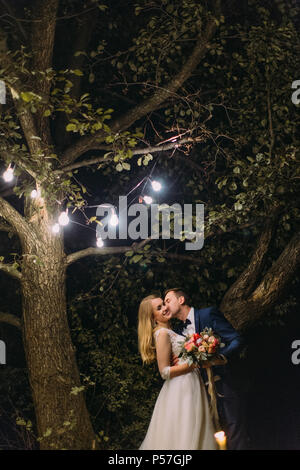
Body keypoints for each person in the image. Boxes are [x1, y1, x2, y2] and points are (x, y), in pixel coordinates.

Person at [164, 288, 249, 450]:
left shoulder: (208, 314)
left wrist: (219, 358)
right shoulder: (177, 333)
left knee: (235, 428)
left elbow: (236, 340)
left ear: (181, 300)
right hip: (198, 390)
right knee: (210, 434)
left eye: (168, 301)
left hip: (224, 383)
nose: (166, 306)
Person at [138, 294, 217, 450]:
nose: (165, 308)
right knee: (186, 431)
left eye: (164, 304)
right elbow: (164, 372)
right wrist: (192, 364)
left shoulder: (170, 330)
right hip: (181, 387)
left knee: (197, 429)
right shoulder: (162, 334)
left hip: (190, 382)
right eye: (159, 308)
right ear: (153, 317)